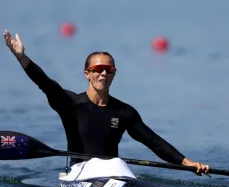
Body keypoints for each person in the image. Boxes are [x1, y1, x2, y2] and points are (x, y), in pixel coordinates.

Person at [3, 29, 210, 176]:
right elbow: (44, 82)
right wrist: (22, 58)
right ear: (87, 74)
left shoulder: (124, 112)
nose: (103, 73)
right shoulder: (69, 103)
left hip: (115, 171)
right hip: (81, 173)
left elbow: (154, 142)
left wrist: (187, 162)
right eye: (98, 69)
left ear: (113, 74)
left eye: (108, 70)